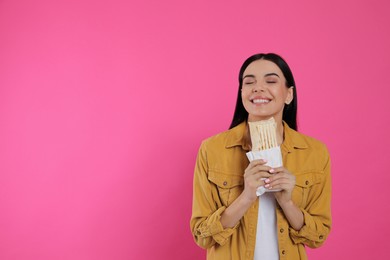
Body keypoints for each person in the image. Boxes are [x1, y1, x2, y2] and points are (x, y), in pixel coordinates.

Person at [190, 53, 332, 260]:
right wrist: (247, 196)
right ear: (242, 93)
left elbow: (317, 236)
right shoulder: (212, 150)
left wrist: (287, 203)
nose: (258, 87)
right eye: (249, 82)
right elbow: (202, 235)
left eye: (271, 80)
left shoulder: (315, 153)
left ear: (289, 94)